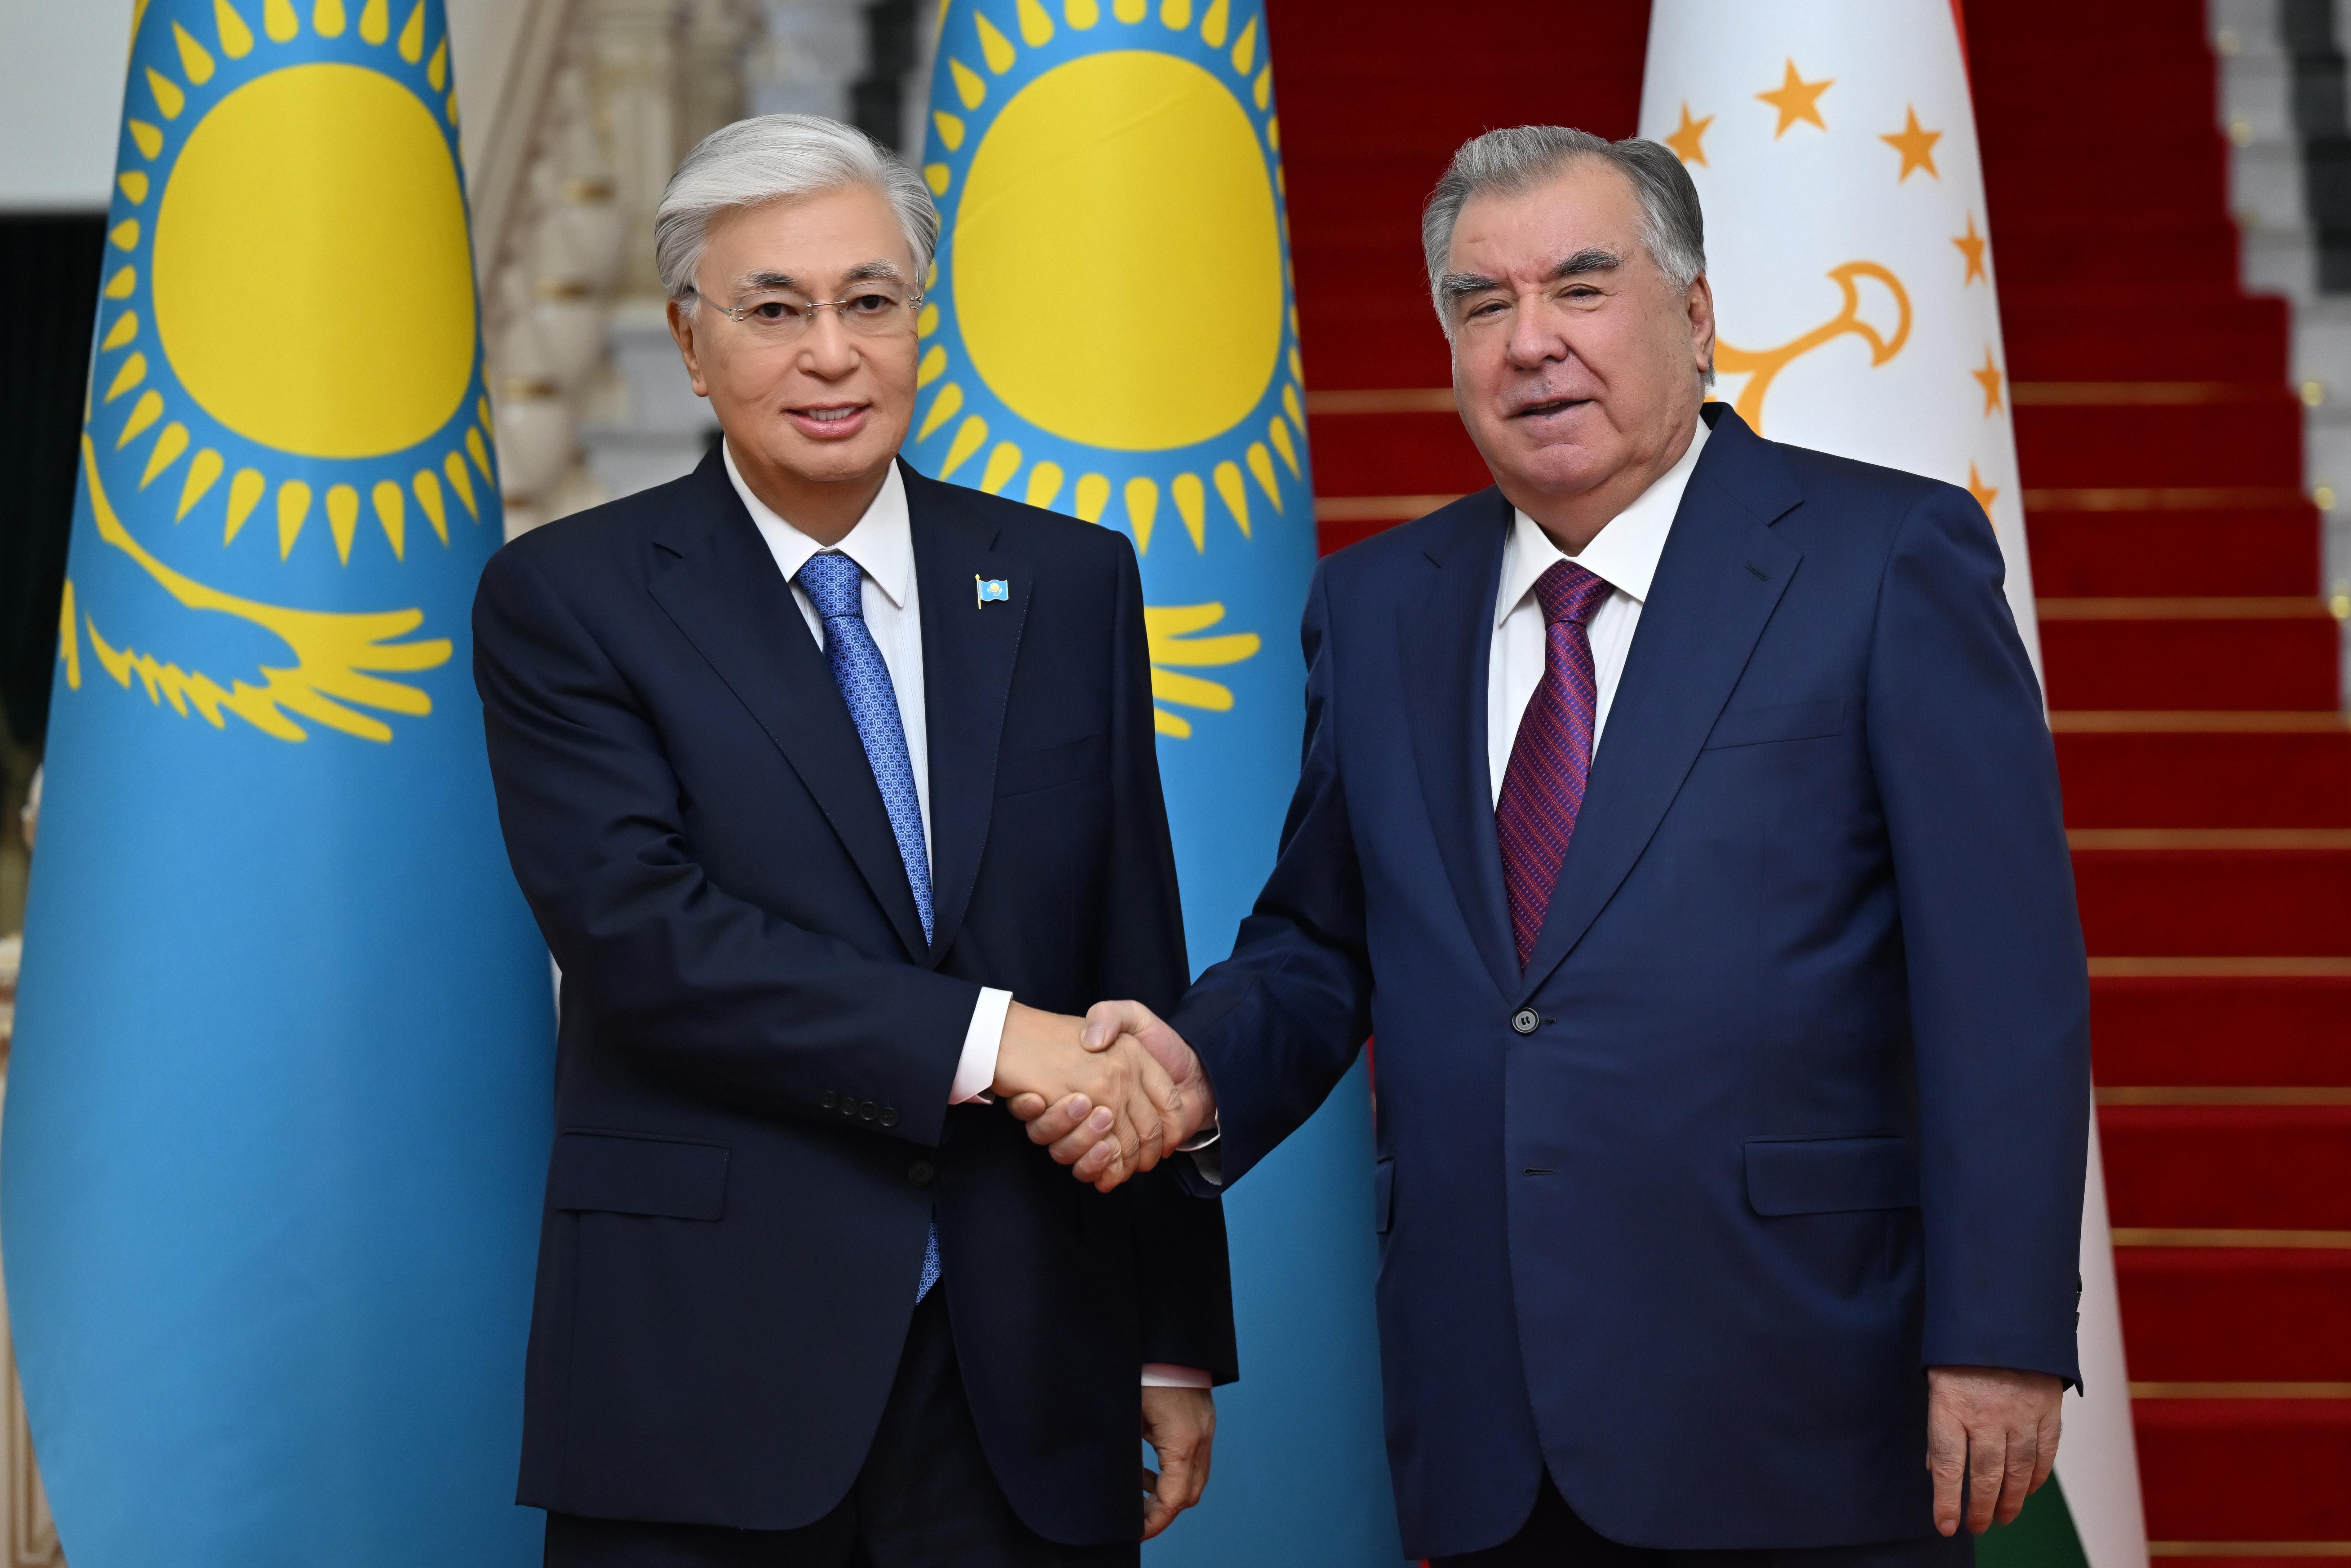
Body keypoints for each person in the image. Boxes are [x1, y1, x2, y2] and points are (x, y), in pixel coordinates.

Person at [1019, 126, 2090, 1565]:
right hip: (1488, 1412)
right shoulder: (1377, 603)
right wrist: (1193, 1068)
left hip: (1805, 1389)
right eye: (1483, 303)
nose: (1530, 342)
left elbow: (2002, 979)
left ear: (1693, 314)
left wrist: (1999, 1328)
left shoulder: (1883, 558)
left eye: (1580, 288)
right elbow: (1322, 938)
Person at [473, 114, 1234, 1568]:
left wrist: (1170, 1332)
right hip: (709, 1366)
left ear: (916, 323)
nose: (832, 353)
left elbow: (1132, 955)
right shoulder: (568, 599)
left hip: (1027, 1360)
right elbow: (646, 942)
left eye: (869, 301)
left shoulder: (1066, 578)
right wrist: (996, 1039)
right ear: (691, 345)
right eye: (775, 311)